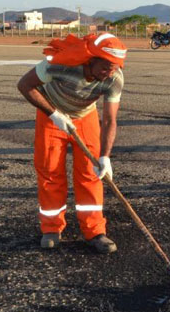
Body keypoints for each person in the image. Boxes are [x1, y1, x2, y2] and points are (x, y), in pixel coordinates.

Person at [17, 33, 127, 253]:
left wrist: (105, 156)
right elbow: (24, 85)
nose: (110, 73)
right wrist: (54, 115)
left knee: (91, 172)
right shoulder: (60, 64)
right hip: (51, 115)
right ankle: (51, 228)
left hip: (85, 117)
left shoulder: (114, 78)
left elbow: (109, 120)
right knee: (50, 171)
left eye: (115, 67)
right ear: (90, 60)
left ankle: (94, 230)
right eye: (106, 67)